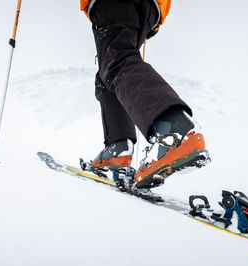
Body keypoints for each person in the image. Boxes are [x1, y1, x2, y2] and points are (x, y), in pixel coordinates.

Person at [80, 0, 210, 189]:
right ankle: (119, 146)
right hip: (151, 10)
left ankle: (175, 132)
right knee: (107, 73)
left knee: (118, 61)